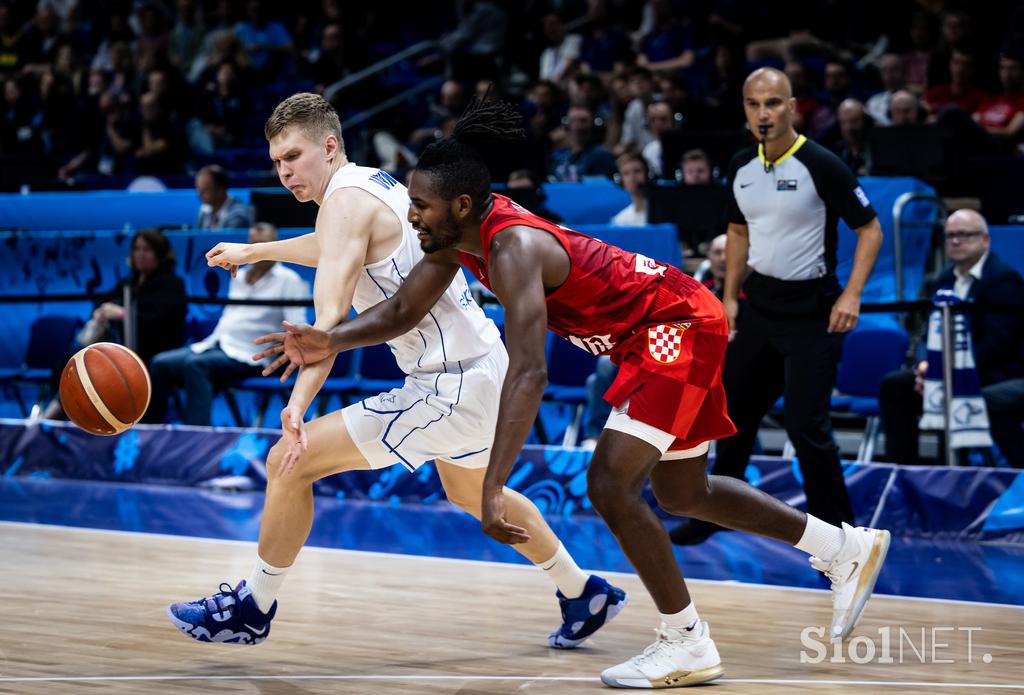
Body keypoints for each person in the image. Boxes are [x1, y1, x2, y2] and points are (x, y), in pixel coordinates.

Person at [258, 95, 892, 688]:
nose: (410, 215)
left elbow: (529, 374)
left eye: (420, 207)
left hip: (674, 329)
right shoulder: (456, 241)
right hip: (660, 331)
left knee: (610, 483)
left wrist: (491, 488)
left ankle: (687, 640)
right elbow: (399, 311)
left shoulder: (511, 249)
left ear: (459, 207)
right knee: (683, 491)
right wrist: (329, 341)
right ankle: (843, 547)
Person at [166, 92, 626, 650]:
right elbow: (336, 246)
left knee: (289, 462)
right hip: (482, 367)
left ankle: (252, 607)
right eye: (276, 163)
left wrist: (297, 408)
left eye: (293, 156)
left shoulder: (341, 204)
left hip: (449, 383)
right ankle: (581, 591)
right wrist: (257, 252)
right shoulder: (371, 183)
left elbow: (327, 326)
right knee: (468, 491)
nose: (284, 171)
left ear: (329, 146)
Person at [672, 68, 884, 546]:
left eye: (772, 103)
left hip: (814, 312)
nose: (763, 113)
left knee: (806, 425)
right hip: (760, 308)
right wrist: (728, 298)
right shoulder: (742, 165)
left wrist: (851, 295)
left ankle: (840, 533)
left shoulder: (821, 163)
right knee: (732, 413)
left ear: (791, 107)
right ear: (745, 109)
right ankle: (713, 511)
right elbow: (738, 231)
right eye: (753, 104)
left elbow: (869, 228)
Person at [879, 209, 1024, 468]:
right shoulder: (944, 279)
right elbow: (928, 331)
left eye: (965, 235)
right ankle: (904, 473)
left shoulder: (1003, 280)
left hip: (995, 372)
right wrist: (925, 365)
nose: (956, 241)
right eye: (950, 236)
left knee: (992, 400)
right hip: (946, 369)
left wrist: (947, 370)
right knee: (896, 385)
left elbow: (998, 346)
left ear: (985, 239)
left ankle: (1015, 475)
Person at [145, 223, 310, 425]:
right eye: (253, 243)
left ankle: (196, 439)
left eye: (263, 244)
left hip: (251, 356)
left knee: (196, 366)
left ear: (274, 245)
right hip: (218, 345)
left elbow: (297, 324)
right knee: (160, 363)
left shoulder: (289, 281)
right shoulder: (238, 275)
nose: (256, 248)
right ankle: (149, 432)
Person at [42, 228, 187, 420]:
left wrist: (122, 313)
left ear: (160, 254)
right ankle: (59, 415)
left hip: (151, 352)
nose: (140, 255)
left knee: (102, 373)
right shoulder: (129, 283)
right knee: (75, 362)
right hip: (121, 349)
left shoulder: (172, 284)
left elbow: (162, 322)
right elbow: (104, 299)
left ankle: (49, 418)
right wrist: (102, 310)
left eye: (147, 250)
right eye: (137, 249)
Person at [195, 164, 251, 229]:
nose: (199, 194)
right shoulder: (204, 210)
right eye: (199, 189)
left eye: (205, 190)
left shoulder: (238, 216)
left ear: (220, 190)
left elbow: (228, 238)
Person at [609, 153, 648, 226]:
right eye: (626, 173)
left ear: (648, 174)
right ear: (620, 180)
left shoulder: (664, 213)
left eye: (637, 171)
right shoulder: (620, 221)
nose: (632, 177)